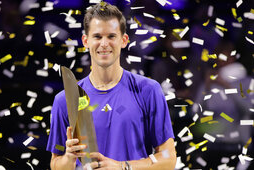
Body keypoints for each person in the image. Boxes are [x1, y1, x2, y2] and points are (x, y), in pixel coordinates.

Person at [47, 2, 176, 170]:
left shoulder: (148, 90)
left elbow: (168, 159)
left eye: (111, 36)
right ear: (85, 41)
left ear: (124, 40)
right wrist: (69, 158)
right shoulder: (65, 99)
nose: (104, 43)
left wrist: (123, 167)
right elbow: (55, 164)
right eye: (98, 37)